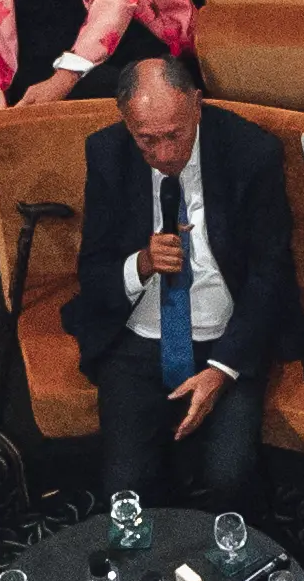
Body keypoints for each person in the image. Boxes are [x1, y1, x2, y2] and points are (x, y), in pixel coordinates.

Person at [66, 54, 290, 518]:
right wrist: (141, 264)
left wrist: (223, 369)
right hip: (137, 339)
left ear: (196, 105)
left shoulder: (251, 153)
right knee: (126, 490)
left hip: (224, 340)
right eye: (147, 141)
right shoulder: (107, 154)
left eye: (175, 135)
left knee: (230, 478)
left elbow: (271, 275)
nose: (165, 155)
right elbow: (92, 272)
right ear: (126, 122)